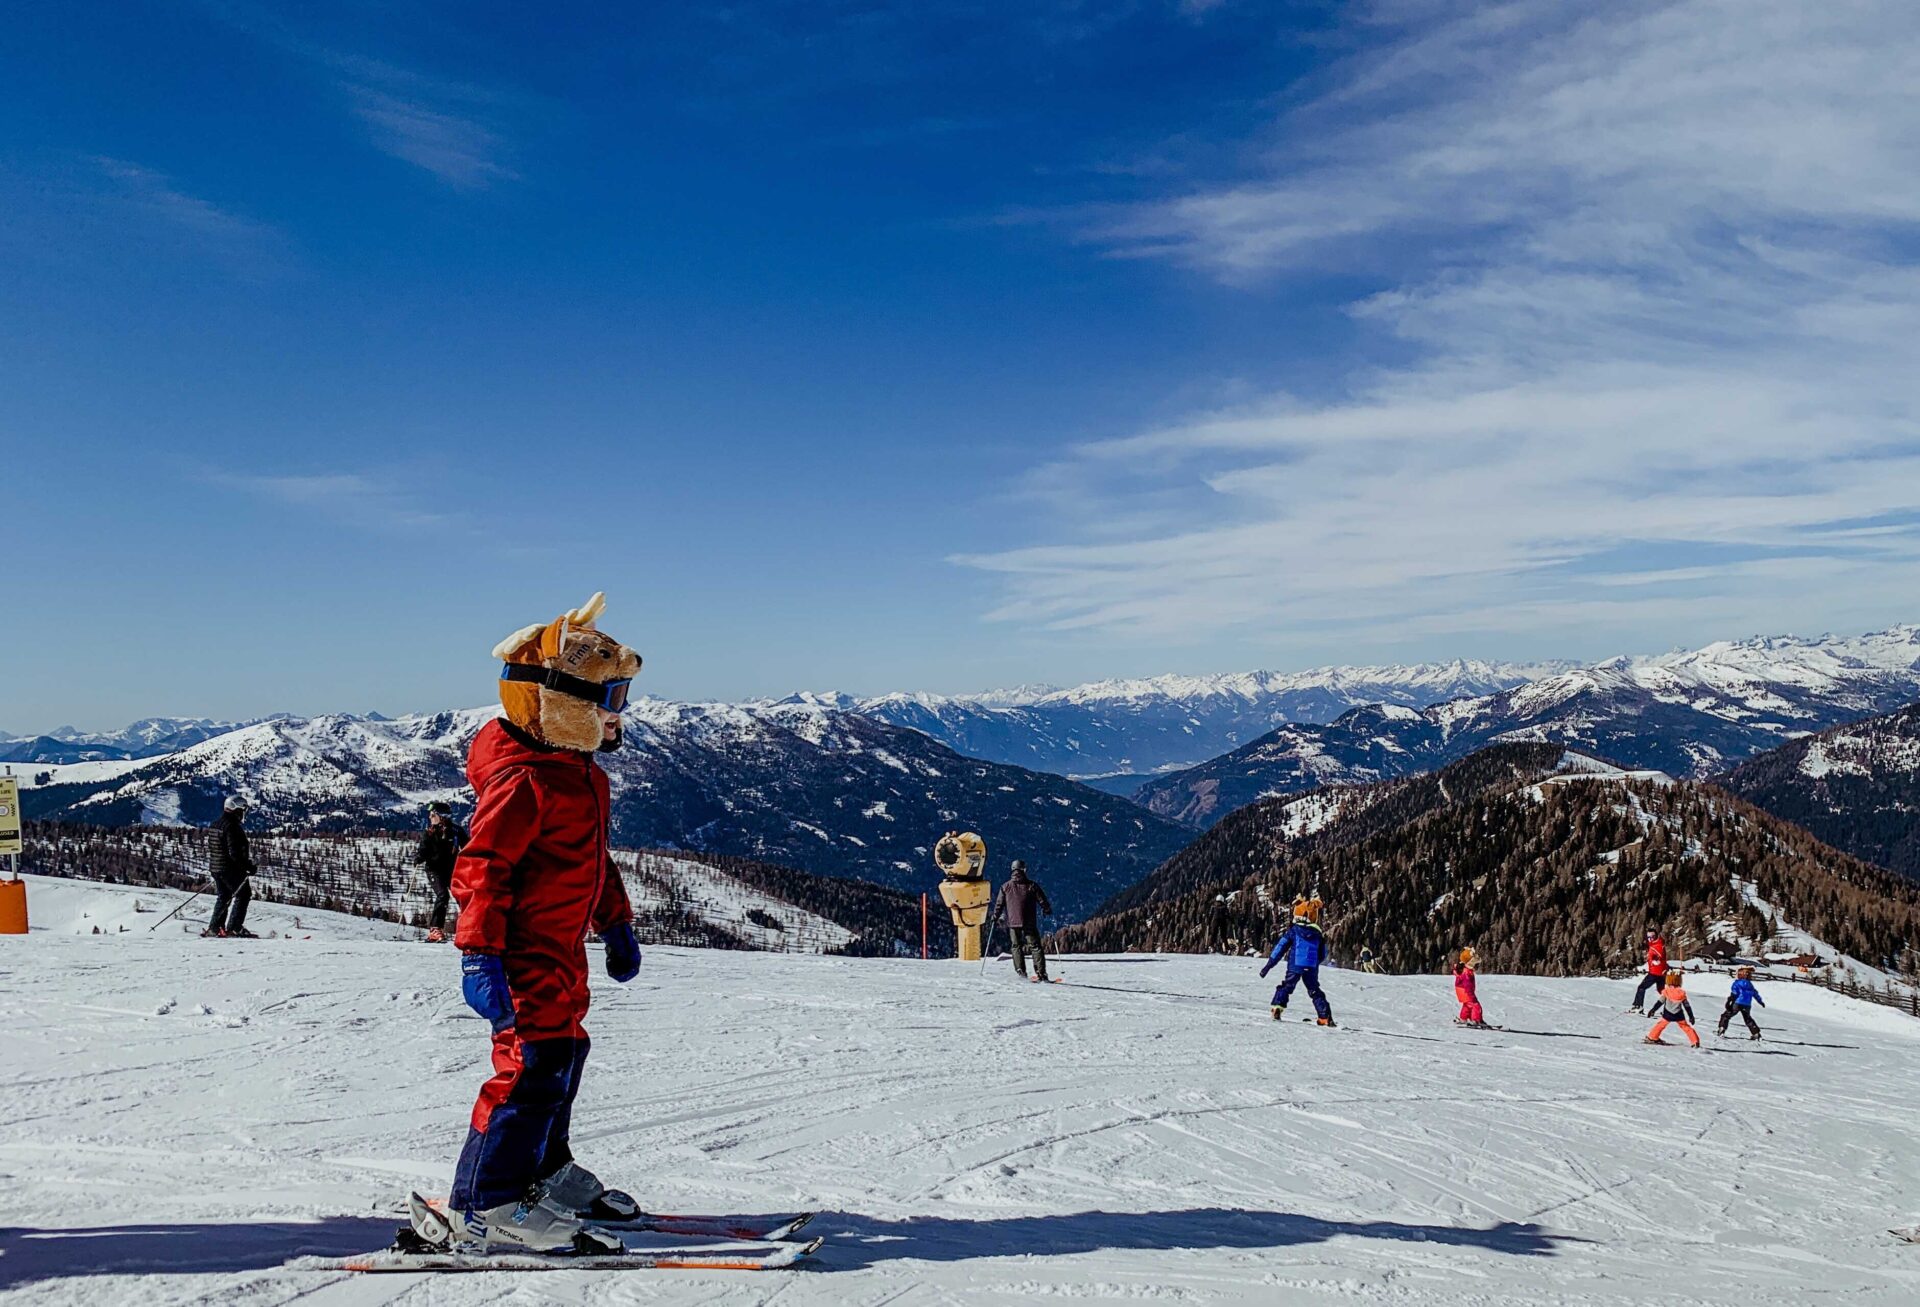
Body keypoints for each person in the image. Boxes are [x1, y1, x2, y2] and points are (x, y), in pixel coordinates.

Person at [436, 593, 646, 1255]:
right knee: (529, 1068)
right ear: (559, 701)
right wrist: (478, 954)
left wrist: (615, 921)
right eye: (609, 695)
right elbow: (482, 868)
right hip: (520, 953)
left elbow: (591, 859)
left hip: (562, 952)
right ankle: (485, 1200)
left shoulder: (581, 776)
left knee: (564, 1056)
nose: (619, 712)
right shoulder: (524, 780)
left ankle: (544, 1173)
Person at [1260, 896, 1334, 1026]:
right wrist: (1315, 962)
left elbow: (1280, 948)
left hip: (1295, 965)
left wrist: (1268, 966)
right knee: (1314, 990)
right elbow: (1323, 953)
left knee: (1287, 986)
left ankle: (1277, 1007)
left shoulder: (1293, 931)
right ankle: (1324, 1017)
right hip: (1311, 967)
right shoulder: (1318, 935)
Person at [411, 801, 467, 942]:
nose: (430, 817)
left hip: (452, 870)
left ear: (442, 816)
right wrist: (418, 858)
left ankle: (468, 927)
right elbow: (423, 850)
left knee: (463, 897)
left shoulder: (456, 831)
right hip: (434, 870)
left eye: (433, 814)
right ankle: (435, 930)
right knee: (443, 896)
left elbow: (467, 846)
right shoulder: (429, 833)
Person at [991, 859, 1054, 982]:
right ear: (1024, 870)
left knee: (1016, 946)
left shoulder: (1005, 887)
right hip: (1029, 921)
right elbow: (1042, 900)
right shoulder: (1032, 885)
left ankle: (1020, 971)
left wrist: (995, 917)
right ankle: (1041, 974)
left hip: (1013, 922)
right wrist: (1046, 910)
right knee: (1035, 947)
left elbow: (999, 904)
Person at [204, 795, 257, 939]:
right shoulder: (232, 827)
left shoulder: (216, 824)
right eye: (242, 810)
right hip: (230, 868)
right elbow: (235, 852)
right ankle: (234, 929)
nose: (243, 813)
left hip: (216, 867)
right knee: (243, 895)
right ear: (236, 809)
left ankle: (215, 928)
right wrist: (248, 867)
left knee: (224, 896)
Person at [1645, 969, 1701, 1049]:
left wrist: (1653, 1010)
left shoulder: (1667, 992)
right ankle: (1695, 1041)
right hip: (1678, 1014)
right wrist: (1691, 1016)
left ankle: (1652, 1037)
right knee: (1686, 1027)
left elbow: (1660, 1002)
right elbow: (1687, 1006)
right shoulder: (1681, 993)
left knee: (1660, 1025)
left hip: (1667, 1013)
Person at [1717, 965, 1766, 1040]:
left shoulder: (1737, 983)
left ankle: (1722, 1029)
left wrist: (1730, 1000)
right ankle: (1756, 1034)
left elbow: (1734, 992)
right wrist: (1760, 1001)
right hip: (1747, 1004)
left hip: (1737, 1002)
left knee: (1726, 1015)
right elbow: (1755, 994)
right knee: (1748, 1019)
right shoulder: (1750, 985)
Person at [1630, 929, 1668, 1012]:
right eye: (1648, 937)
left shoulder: (1657, 945)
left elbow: (1660, 955)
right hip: (1661, 972)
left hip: (1655, 972)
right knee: (1661, 990)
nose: (1650, 939)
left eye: (1652, 937)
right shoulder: (1656, 943)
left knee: (1641, 987)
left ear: (1656, 936)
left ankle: (1638, 1006)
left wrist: (1655, 959)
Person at [1454, 947, 1487, 1028]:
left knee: (1467, 1005)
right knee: (1475, 1005)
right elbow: (1467, 984)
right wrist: (1470, 994)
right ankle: (1476, 1020)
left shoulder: (1465, 970)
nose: (1475, 965)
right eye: (1474, 963)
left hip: (1461, 991)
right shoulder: (1466, 972)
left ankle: (1463, 1018)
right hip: (1465, 991)